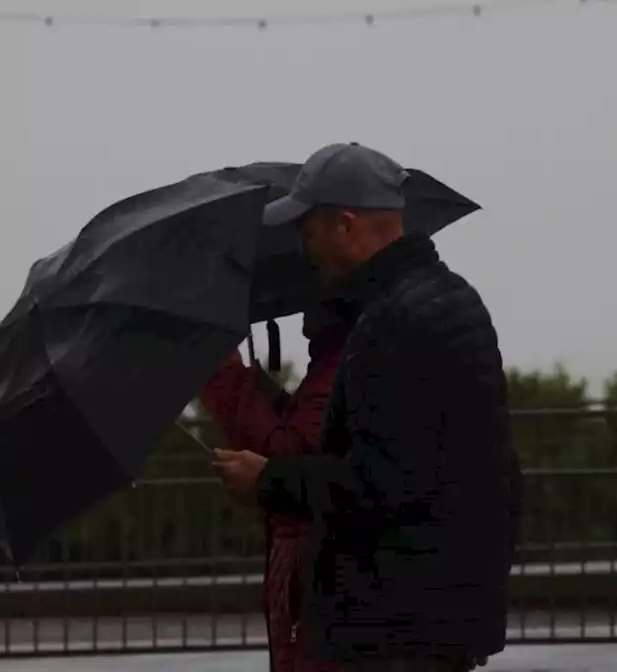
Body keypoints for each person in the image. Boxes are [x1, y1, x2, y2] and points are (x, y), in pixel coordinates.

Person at [212, 142, 522, 672]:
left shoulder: (390, 323)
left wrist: (269, 481)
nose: (305, 250)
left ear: (346, 225)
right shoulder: (448, 298)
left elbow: (380, 484)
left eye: (309, 232)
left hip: (393, 625)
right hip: (437, 612)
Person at [199, 307, 351, 672]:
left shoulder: (346, 349)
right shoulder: (339, 352)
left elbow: (289, 456)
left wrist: (222, 369)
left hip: (321, 585)